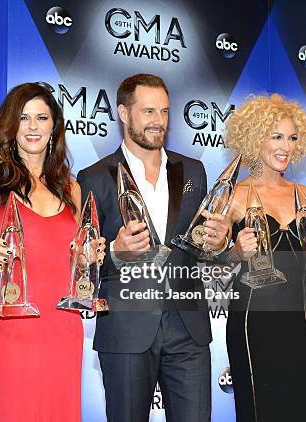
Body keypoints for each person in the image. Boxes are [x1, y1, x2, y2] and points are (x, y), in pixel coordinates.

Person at [77, 74, 228, 421]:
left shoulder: (193, 170)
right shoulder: (95, 177)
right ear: (123, 113)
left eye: (164, 111)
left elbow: (202, 247)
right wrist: (115, 252)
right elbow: (81, 263)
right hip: (126, 327)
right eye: (148, 111)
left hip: (188, 328)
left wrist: (218, 244)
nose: (158, 121)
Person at [0, 82, 104, 421]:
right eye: (23, 118)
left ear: (54, 126)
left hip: (62, 321)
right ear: (10, 127)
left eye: (41, 117)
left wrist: (87, 258)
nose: (33, 126)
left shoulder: (71, 187)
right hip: (11, 321)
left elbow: (75, 257)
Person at [224, 94, 306, 422]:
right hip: (252, 322)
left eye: (292, 138)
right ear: (255, 138)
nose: (285, 146)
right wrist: (235, 251)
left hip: (302, 320)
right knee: (260, 411)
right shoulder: (233, 196)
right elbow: (208, 261)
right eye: (276, 136)